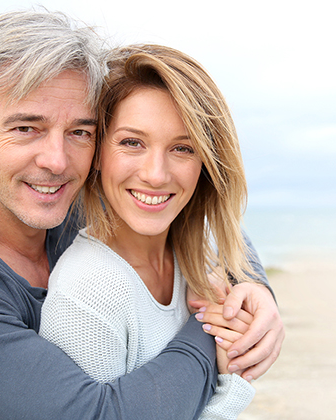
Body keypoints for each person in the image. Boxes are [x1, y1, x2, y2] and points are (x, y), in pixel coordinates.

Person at [0, 9, 283, 420]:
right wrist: (209, 326)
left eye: (80, 132)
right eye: (26, 128)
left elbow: (196, 220)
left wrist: (255, 290)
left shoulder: (77, 195)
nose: (57, 161)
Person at [39, 44, 257, 418]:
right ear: (98, 153)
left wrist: (253, 294)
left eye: (183, 148)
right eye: (132, 143)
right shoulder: (88, 292)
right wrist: (235, 383)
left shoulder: (201, 251)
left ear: (206, 163)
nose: (156, 174)